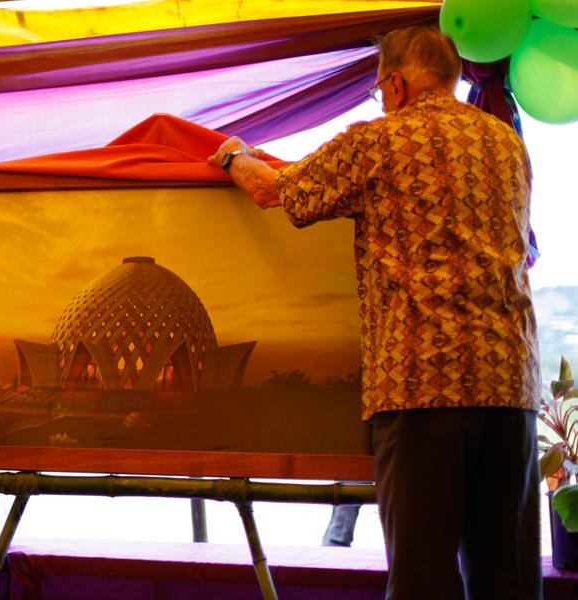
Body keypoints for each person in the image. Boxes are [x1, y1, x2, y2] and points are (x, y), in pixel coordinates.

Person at [210, 26, 541, 599]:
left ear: (393, 85)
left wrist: (235, 155)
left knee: (422, 577)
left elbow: (274, 190)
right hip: (509, 381)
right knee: (506, 577)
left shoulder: (376, 142)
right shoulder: (504, 141)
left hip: (420, 385)